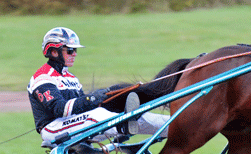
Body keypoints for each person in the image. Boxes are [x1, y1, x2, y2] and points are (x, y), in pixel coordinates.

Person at [28, 27, 169, 146]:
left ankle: (172, 127)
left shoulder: (72, 79)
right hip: (53, 129)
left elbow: (81, 108)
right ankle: (122, 126)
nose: (75, 54)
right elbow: (60, 109)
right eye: (70, 50)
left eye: (76, 50)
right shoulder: (42, 77)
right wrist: (91, 98)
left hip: (75, 125)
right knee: (96, 115)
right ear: (54, 51)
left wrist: (107, 98)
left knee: (137, 115)